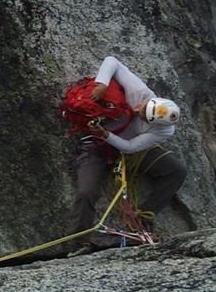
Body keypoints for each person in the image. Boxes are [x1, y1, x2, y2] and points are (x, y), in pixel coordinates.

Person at [66, 55, 187, 239]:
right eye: (143, 107)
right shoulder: (140, 92)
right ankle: (79, 240)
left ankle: (144, 216)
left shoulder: (164, 130)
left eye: (142, 115)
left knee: (176, 171)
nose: (137, 110)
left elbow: (130, 147)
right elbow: (111, 61)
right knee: (86, 192)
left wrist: (105, 133)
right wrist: (102, 84)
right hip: (96, 145)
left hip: (124, 146)